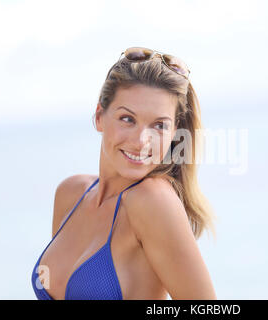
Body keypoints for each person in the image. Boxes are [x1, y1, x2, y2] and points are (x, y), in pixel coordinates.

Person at [31, 47, 217, 300]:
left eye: (159, 126)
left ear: (175, 133)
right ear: (99, 117)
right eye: (127, 119)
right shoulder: (71, 193)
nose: (142, 141)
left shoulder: (153, 201)